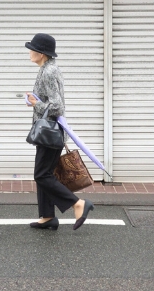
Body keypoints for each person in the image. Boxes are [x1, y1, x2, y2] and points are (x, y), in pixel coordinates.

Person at [24, 33, 94, 231]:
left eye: (32, 49)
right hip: (48, 132)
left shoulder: (48, 72)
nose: (30, 52)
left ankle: (78, 203)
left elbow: (57, 106)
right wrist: (36, 102)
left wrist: (37, 104)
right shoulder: (48, 68)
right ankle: (47, 216)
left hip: (49, 133)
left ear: (42, 53)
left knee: (42, 175)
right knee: (45, 173)